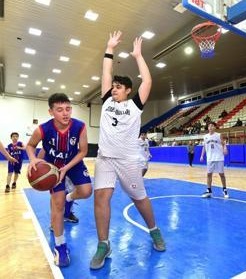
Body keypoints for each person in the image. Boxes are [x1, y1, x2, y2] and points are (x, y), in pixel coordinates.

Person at [91, 31, 165, 270]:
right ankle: (103, 244)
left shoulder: (135, 106)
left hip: (128, 160)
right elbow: (105, 72)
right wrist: (109, 48)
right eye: (113, 87)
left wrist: (138, 56)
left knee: (139, 198)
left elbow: (148, 81)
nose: (113, 89)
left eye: (119, 87)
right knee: (101, 198)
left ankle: (154, 231)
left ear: (128, 90)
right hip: (104, 159)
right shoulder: (106, 101)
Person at [26, 93, 92, 267]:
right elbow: (30, 145)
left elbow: (83, 151)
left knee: (86, 192)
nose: (65, 113)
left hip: (72, 162)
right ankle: (60, 246)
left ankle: (70, 199)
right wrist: (33, 159)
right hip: (53, 167)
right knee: (58, 204)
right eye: (60, 110)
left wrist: (67, 167)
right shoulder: (43, 129)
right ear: (51, 112)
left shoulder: (80, 126)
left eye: (68, 109)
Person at [37, 148, 79, 225]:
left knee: (71, 191)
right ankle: (54, 221)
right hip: (56, 169)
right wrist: (37, 164)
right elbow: (44, 149)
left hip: (70, 167)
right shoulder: (52, 138)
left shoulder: (74, 137)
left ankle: (67, 214)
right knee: (56, 193)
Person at [200, 122, 229, 198]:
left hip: (219, 157)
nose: (210, 127)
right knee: (209, 174)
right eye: (209, 126)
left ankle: (224, 189)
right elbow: (204, 147)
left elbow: (223, 143)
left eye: (212, 126)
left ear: (215, 127)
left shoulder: (218, 135)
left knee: (221, 174)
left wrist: (225, 148)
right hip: (210, 158)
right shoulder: (205, 136)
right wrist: (202, 155)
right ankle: (209, 190)